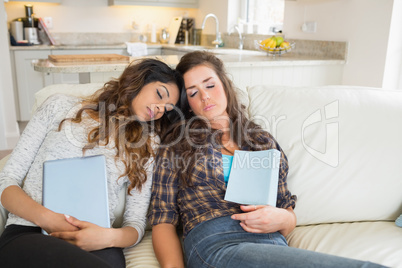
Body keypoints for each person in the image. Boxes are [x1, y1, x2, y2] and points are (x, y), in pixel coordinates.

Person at [148, 51, 386, 268]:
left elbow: (287, 212)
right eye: (193, 93)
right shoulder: (178, 144)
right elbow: (163, 219)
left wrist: (280, 218)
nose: (205, 96)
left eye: (210, 85)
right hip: (216, 242)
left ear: (225, 85)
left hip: (271, 242)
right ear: (187, 104)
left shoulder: (261, 141)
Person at [0, 58, 182, 268]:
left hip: (98, 242)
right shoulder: (58, 106)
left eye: (167, 109)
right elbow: (7, 180)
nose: (160, 109)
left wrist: (107, 238)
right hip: (30, 232)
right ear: (139, 80)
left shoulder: (148, 143)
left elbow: (136, 223)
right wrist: (48, 220)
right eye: (160, 95)